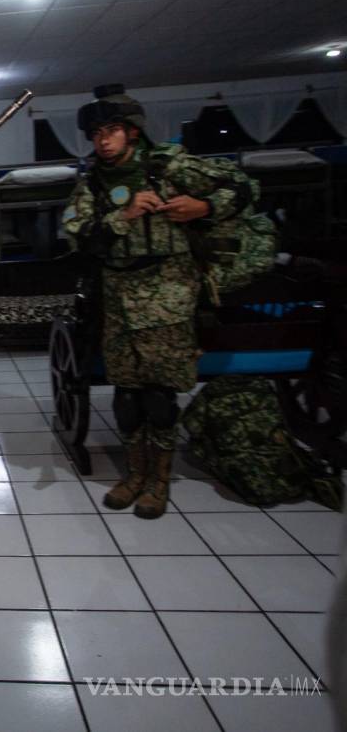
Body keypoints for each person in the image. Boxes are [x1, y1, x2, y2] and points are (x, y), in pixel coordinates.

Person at [62, 84, 255, 519]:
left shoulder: (169, 165)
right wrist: (123, 215)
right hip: (117, 295)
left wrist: (203, 206)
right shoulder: (93, 180)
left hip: (168, 293)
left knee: (159, 397)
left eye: (111, 130)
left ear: (132, 131)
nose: (103, 140)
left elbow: (242, 188)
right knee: (127, 397)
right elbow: (75, 232)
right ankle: (134, 475)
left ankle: (159, 481)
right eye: (96, 133)